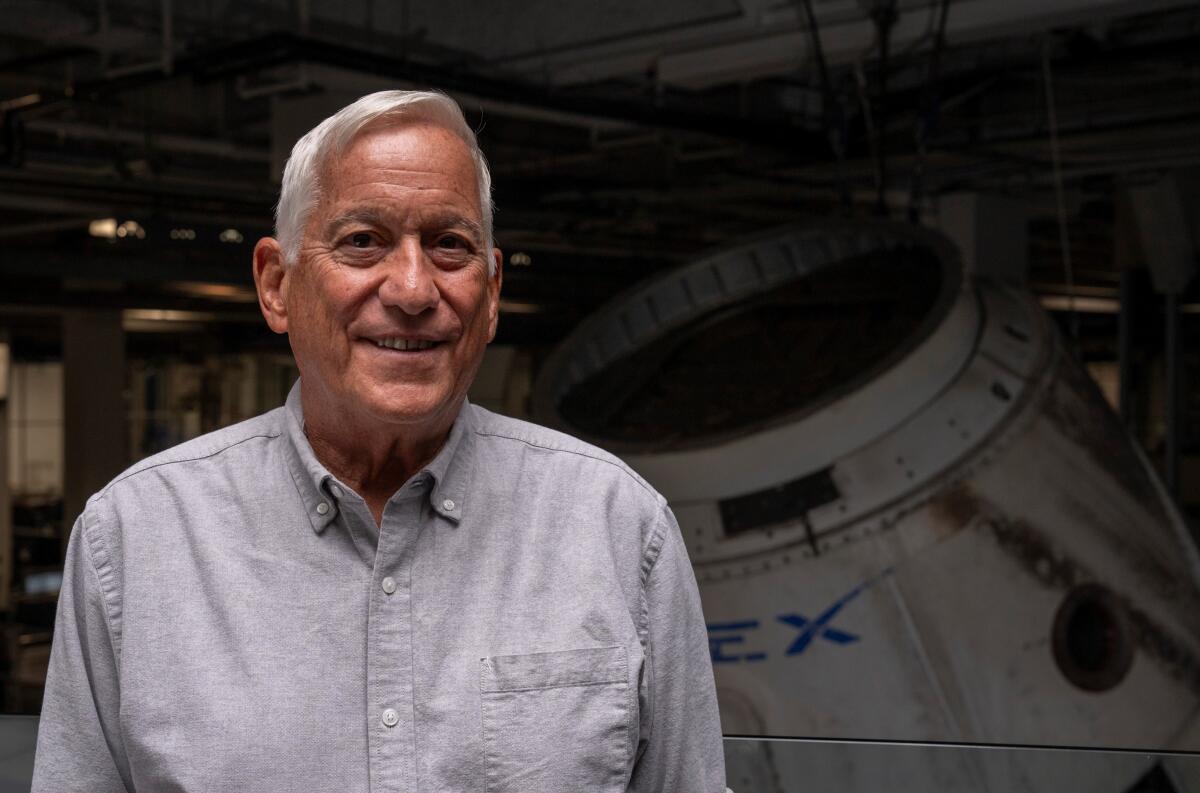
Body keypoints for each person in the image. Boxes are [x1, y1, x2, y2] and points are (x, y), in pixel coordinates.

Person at [32, 89, 728, 792]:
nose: (414, 289)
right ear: (277, 285)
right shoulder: (134, 541)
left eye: (449, 245)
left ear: (490, 295)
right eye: (362, 240)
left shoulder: (617, 529)